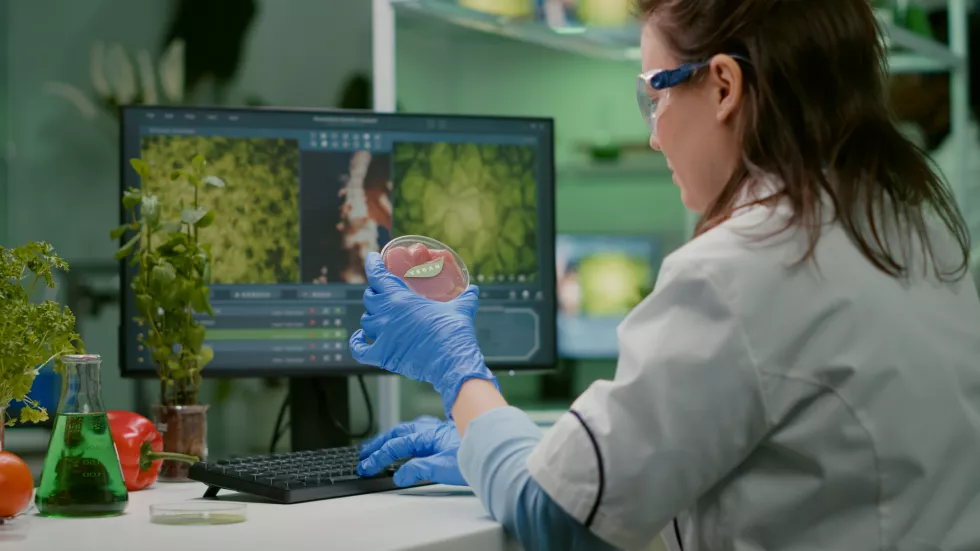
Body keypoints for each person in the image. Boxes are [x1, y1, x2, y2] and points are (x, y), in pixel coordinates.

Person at [351, 0, 980, 549]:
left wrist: (458, 373)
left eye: (653, 95)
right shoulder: (913, 231)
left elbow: (560, 522)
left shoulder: (743, 268)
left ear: (725, 86)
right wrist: (495, 447)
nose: (653, 137)